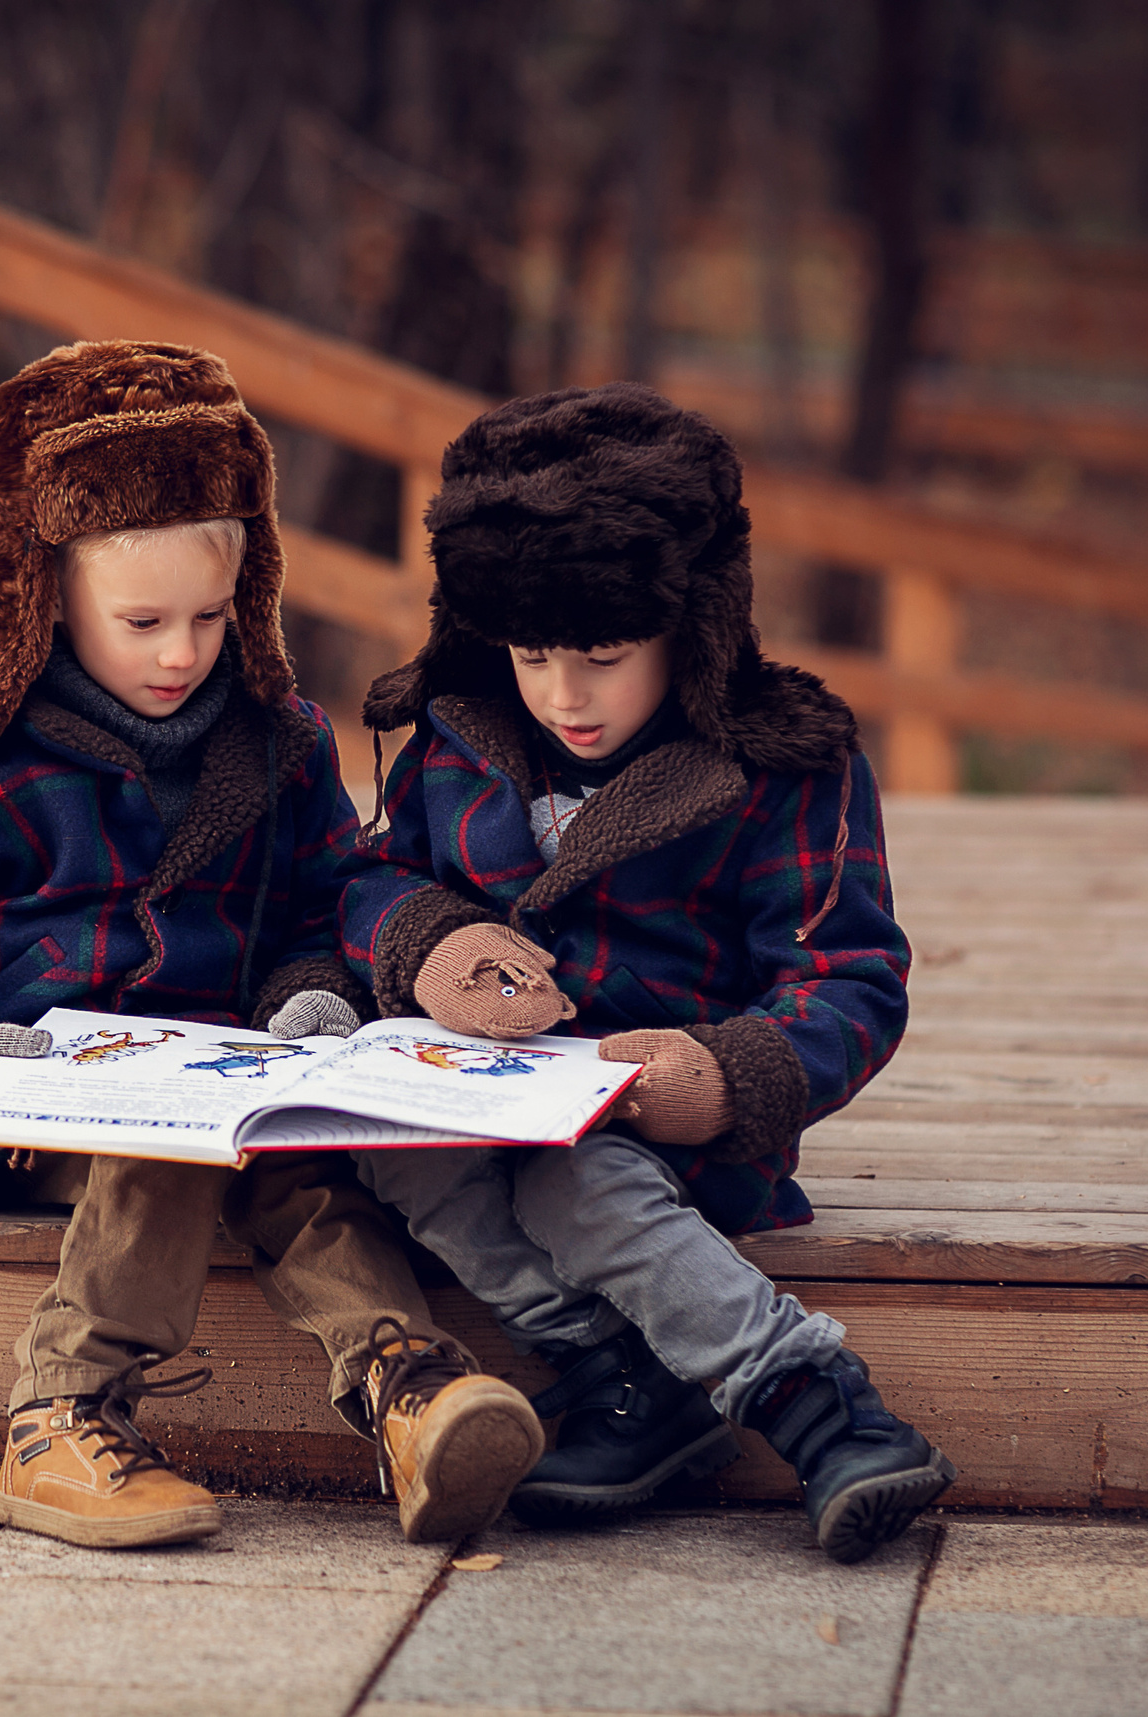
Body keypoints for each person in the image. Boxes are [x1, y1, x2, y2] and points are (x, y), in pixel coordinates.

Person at [0, 339, 542, 1549]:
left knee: (294, 1164)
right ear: (48, 593)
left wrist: (312, 997)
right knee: (163, 1132)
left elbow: (318, 907)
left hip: (226, 1080)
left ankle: (409, 1389)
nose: (178, 652)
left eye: (209, 616)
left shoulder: (282, 744)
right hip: (21, 1102)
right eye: (141, 619)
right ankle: (60, 1412)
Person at [341, 383, 955, 1564]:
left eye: (603, 658)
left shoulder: (781, 768)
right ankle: (626, 1373)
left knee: (578, 1186)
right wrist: (428, 942)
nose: (564, 693)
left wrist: (724, 1075)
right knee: (382, 1148)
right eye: (533, 655)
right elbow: (371, 879)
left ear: (690, 625)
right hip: (481, 1100)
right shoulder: (457, 737)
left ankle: (821, 1409)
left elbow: (852, 976)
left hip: (673, 1125)